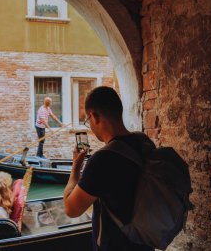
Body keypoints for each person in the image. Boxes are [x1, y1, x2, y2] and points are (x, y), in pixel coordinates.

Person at [63, 86, 156, 251]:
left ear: (95, 116)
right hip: (144, 243)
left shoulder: (102, 160)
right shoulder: (145, 143)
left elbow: (71, 209)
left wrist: (75, 168)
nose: (90, 125)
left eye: (87, 120)